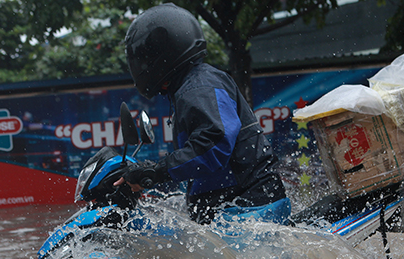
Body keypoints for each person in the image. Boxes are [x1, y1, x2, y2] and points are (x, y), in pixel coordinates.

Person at [115, 3, 290, 225]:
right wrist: (152, 177)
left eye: (143, 59)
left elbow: (213, 146)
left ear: (162, 55)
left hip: (250, 208)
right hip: (234, 209)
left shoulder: (199, 87)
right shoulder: (190, 87)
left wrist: (156, 171)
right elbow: (198, 164)